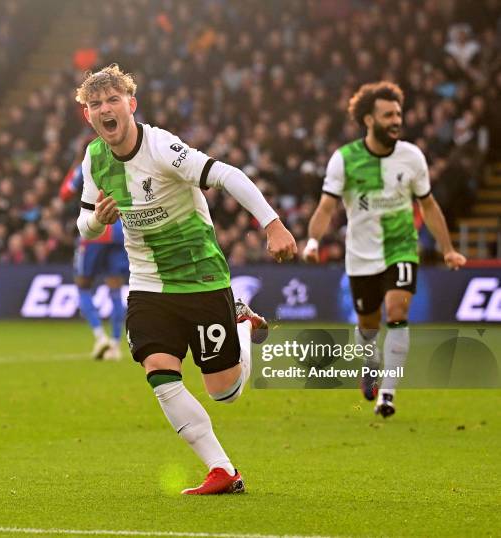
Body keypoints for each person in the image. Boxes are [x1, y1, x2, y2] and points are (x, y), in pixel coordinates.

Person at [75, 65, 297, 494]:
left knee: (225, 392)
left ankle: (243, 325)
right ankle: (223, 470)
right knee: (158, 370)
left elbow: (226, 174)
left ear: (131, 105)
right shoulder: (94, 159)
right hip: (147, 281)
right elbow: (84, 222)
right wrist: (96, 221)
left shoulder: (161, 147)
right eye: (96, 104)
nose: (105, 109)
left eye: (113, 100)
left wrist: (272, 223)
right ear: (88, 115)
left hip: (200, 276)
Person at [304, 81, 466, 417]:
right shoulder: (344, 159)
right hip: (361, 255)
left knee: (397, 313)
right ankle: (370, 361)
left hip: (401, 247)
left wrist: (447, 248)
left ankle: (387, 395)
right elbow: (325, 207)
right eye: (387, 115)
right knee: (368, 327)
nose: (396, 120)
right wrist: (314, 241)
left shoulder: (412, 156)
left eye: (398, 114)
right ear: (368, 120)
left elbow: (429, 205)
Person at [60, 158, 128, 360]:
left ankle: (100, 337)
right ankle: (115, 346)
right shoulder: (126, 162)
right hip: (119, 231)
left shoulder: (88, 162)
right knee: (115, 288)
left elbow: (66, 193)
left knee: (82, 285)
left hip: (95, 227)